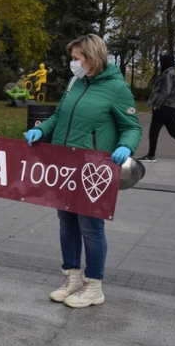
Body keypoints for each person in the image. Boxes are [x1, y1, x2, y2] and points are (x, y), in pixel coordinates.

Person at [25, 34, 142, 309]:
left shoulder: (117, 88)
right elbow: (59, 116)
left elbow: (132, 126)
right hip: (64, 165)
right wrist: (41, 129)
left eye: (76, 58)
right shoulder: (75, 81)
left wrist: (126, 146)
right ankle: (72, 278)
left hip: (94, 170)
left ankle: (94, 286)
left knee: (90, 227)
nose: (72, 63)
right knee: (66, 224)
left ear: (92, 59)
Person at [139, 53, 175, 165]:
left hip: (163, 107)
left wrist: (157, 104)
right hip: (172, 108)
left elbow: (166, 90)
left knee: (154, 131)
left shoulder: (167, 73)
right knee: (174, 132)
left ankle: (151, 155)